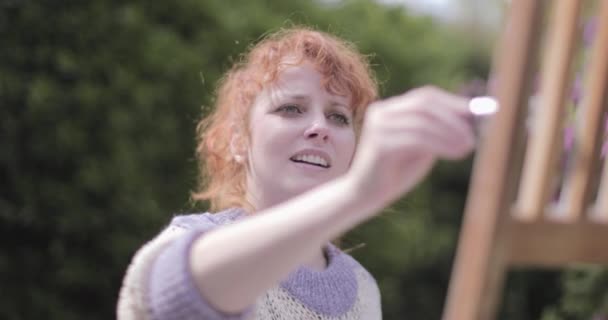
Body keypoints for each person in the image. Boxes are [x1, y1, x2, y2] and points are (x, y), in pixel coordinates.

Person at [117, 26, 475, 319]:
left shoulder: (365, 290)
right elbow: (166, 301)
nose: (320, 127)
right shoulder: (188, 243)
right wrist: (357, 193)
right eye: (290, 108)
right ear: (239, 141)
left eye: (338, 116)